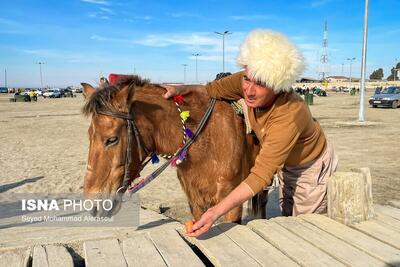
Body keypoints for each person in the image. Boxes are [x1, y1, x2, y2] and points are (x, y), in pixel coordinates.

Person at [163, 29, 338, 237]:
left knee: (305, 228)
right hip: (285, 164)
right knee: (288, 213)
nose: (249, 90)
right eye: (247, 79)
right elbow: (211, 89)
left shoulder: (289, 114)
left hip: (310, 165)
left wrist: (215, 212)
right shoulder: (249, 79)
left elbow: (260, 175)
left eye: (261, 83)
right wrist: (180, 90)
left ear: (277, 85)